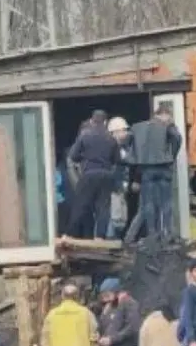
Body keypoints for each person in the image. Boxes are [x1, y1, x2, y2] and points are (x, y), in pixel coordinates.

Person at [126, 102, 183, 243]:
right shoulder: (167, 126)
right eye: (169, 116)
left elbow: (127, 141)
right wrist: (172, 156)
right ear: (164, 114)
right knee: (166, 202)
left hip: (147, 169)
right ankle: (167, 233)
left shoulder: (138, 127)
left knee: (148, 203)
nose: (170, 119)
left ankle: (152, 233)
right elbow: (177, 138)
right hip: (164, 167)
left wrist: (138, 157)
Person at [67, 110, 122, 239]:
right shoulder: (111, 139)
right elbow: (118, 160)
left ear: (92, 121)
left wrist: (85, 158)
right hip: (106, 175)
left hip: (89, 174)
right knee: (103, 207)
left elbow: (73, 156)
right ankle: (100, 237)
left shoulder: (85, 136)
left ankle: (70, 235)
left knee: (81, 205)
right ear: (106, 122)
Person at [106, 117, 132, 240]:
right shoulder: (109, 149)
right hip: (113, 188)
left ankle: (116, 240)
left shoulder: (125, 148)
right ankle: (111, 241)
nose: (125, 133)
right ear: (114, 132)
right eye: (122, 131)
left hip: (121, 187)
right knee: (114, 217)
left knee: (121, 219)